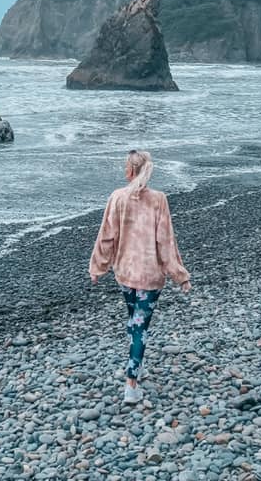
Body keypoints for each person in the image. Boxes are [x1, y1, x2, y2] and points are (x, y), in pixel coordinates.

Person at [89, 149, 191, 404]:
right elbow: (166, 242)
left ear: (129, 170)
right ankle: (131, 385)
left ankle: (138, 363)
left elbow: (106, 236)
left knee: (135, 323)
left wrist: (98, 267)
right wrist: (180, 275)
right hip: (149, 274)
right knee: (140, 328)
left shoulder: (117, 197)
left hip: (124, 271)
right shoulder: (158, 199)